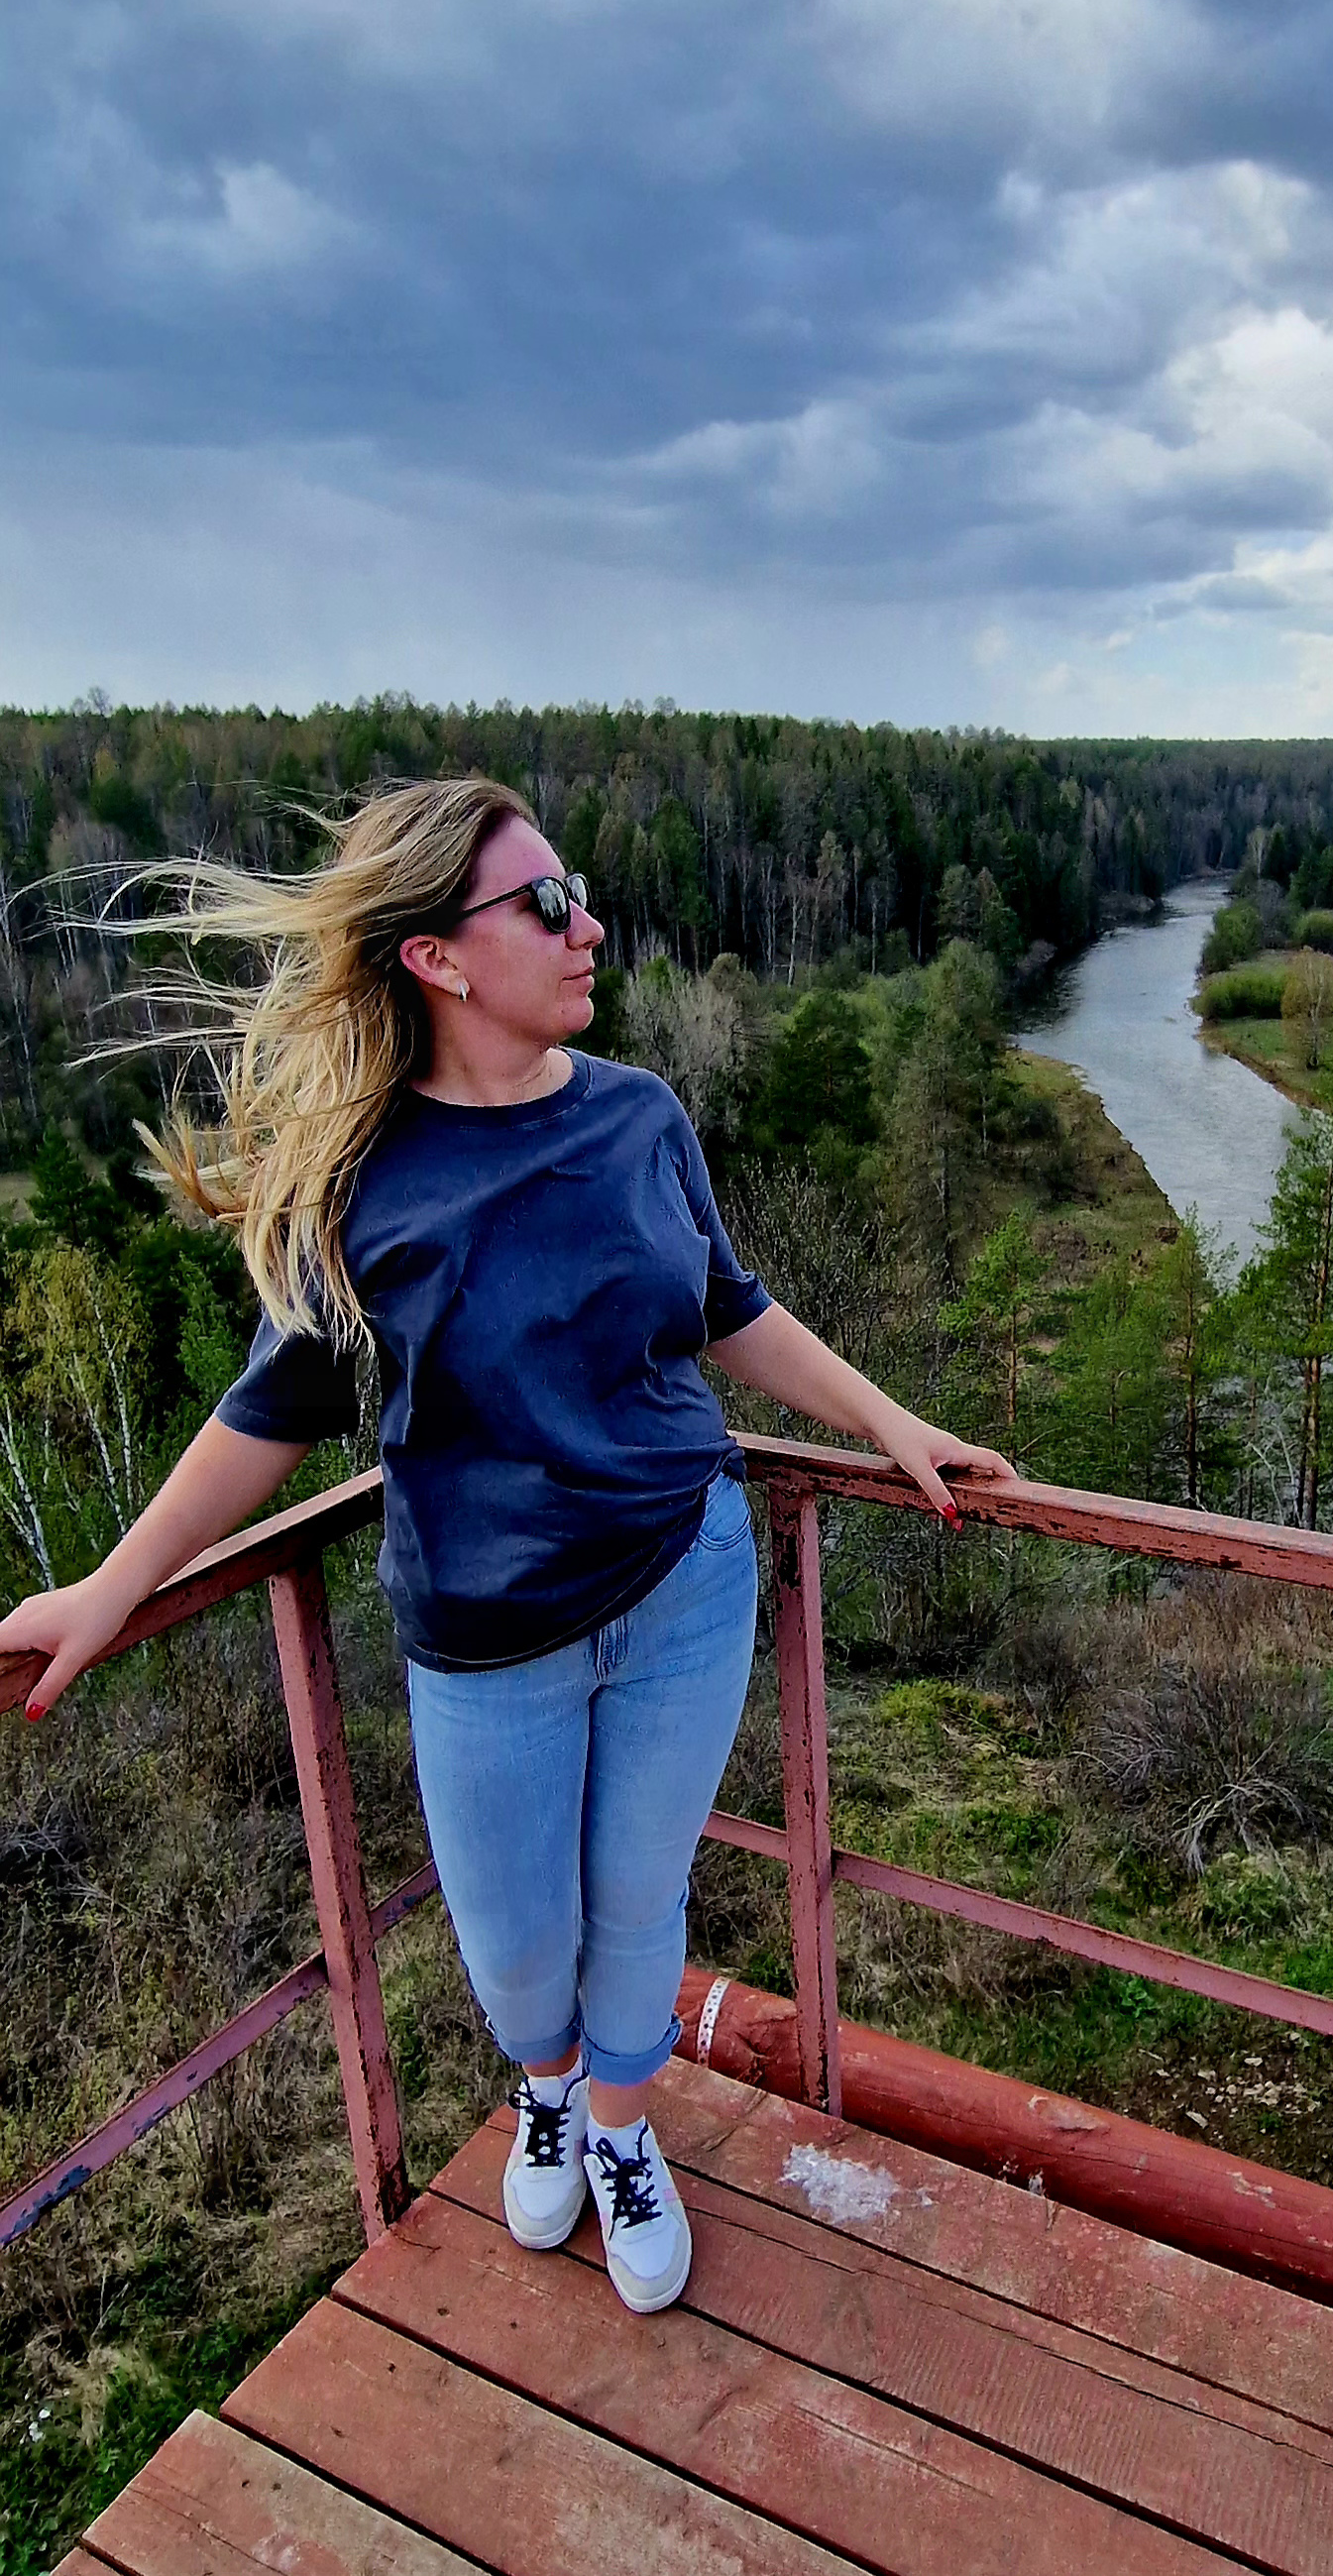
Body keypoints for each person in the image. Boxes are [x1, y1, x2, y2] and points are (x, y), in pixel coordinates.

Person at [0, 778, 1015, 2311]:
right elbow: (269, 1415)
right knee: (517, 1945)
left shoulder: (638, 1116)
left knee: (640, 1902)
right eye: (545, 904)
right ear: (437, 958)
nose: (587, 926)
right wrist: (107, 1589)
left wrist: (893, 1424)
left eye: (578, 888)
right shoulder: (362, 1180)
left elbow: (728, 1307)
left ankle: (620, 2126)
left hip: (684, 1580)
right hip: (485, 1642)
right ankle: (548, 2091)